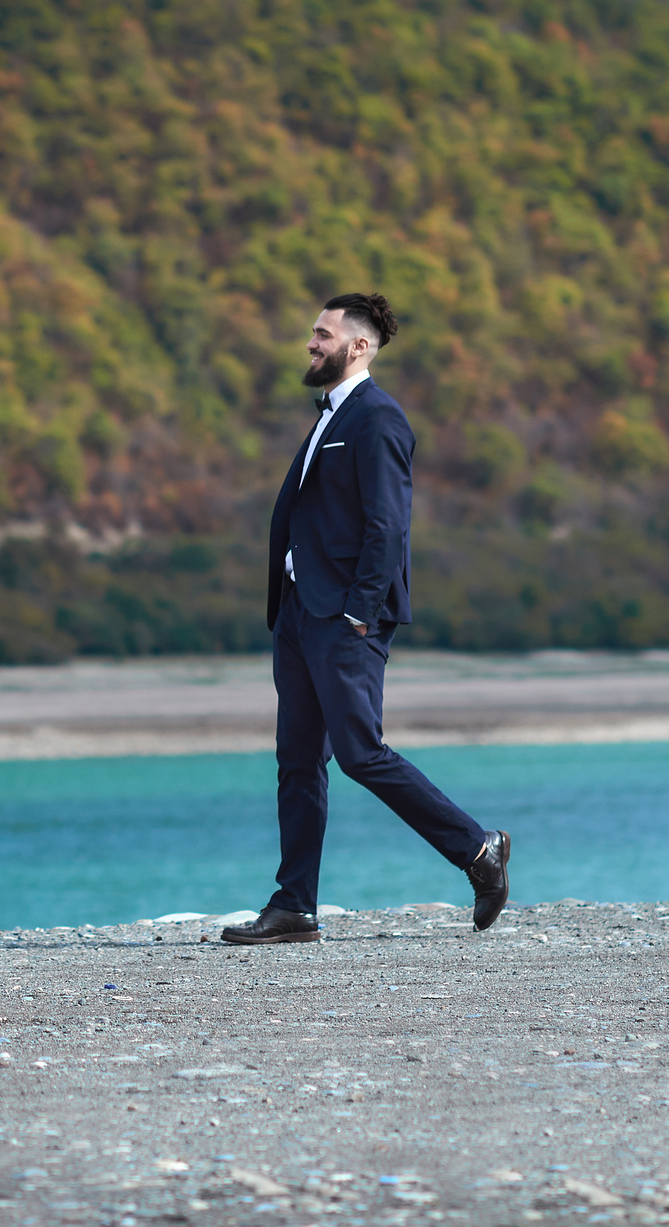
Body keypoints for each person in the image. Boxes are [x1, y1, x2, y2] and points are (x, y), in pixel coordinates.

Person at [220, 292, 509, 944]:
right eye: (313, 333)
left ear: (359, 346)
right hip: (300, 613)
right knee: (297, 760)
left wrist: (358, 608)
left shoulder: (378, 418)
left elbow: (389, 524)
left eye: (322, 334)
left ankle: (478, 848)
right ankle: (295, 906)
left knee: (361, 753)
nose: (310, 343)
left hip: (344, 616)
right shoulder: (331, 414)